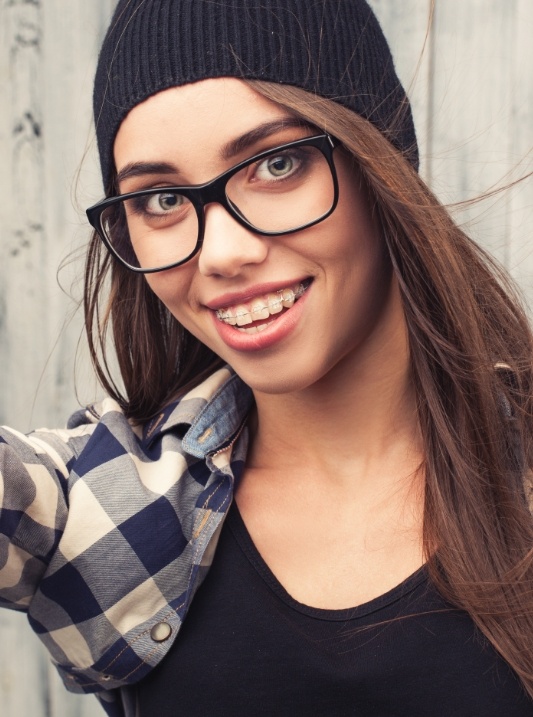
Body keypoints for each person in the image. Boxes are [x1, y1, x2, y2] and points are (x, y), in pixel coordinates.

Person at [1, 0, 533, 715]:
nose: (222, 253)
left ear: (383, 164)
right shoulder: (98, 503)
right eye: (160, 199)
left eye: (276, 164)